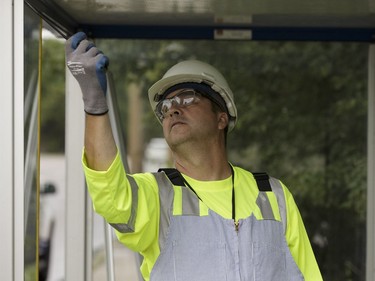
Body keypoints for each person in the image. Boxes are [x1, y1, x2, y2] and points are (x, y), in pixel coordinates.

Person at [65, 32, 323, 281]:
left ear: (221, 117)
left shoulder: (273, 196)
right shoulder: (158, 195)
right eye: (165, 107)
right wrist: (95, 105)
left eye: (187, 99)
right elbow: (109, 193)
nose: (173, 110)